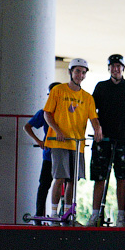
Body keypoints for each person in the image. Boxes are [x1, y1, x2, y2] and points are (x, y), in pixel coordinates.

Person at [43, 58, 102, 224]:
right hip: (59, 142)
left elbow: (93, 118)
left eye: (83, 72)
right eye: (77, 71)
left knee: (73, 181)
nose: (80, 75)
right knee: (60, 178)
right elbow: (47, 113)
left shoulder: (87, 97)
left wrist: (98, 128)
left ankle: (68, 213)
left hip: (77, 143)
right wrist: (57, 131)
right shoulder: (58, 90)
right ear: (71, 72)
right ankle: (54, 214)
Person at [88, 54, 125, 227]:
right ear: (109, 68)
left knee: (122, 179)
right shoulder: (101, 87)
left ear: (123, 68)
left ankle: (121, 216)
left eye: (119, 66)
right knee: (99, 178)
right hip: (103, 140)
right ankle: (95, 214)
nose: (116, 69)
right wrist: (97, 129)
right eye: (113, 66)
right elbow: (91, 111)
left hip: (124, 141)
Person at [24, 82, 61, 220]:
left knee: (63, 183)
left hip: (63, 151)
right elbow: (27, 126)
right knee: (45, 184)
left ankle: (58, 212)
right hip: (49, 154)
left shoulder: (66, 113)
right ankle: (40, 213)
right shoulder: (44, 112)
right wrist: (38, 141)